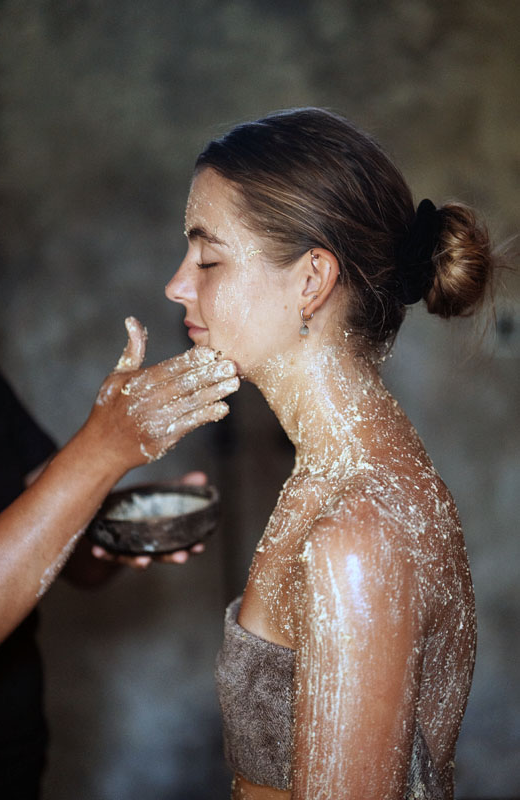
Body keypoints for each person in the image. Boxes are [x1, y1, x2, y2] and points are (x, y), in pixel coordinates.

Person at [165, 108, 498, 799]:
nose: (177, 284)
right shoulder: (339, 478)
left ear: (311, 280)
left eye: (207, 258)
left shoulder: (358, 535)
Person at [0, 315, 239, 799]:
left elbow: (64, 543)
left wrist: (125, 525)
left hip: (13, 755)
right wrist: (104, 447)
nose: (178, 287)